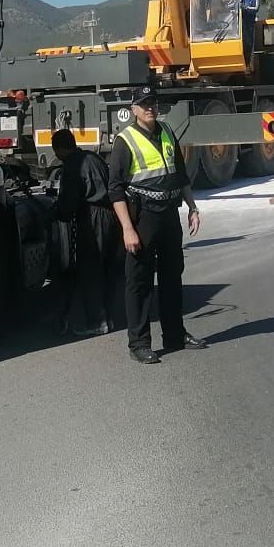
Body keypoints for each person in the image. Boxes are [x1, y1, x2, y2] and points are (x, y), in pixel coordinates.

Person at [108, 90, 204, 365]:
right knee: (139, 282)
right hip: (143, 218)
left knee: (172, 276)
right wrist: (127, 228)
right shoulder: (124, 141)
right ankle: (139, 343)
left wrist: (193, 208)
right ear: (134, 109)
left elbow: (180, 174)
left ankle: (175, 335)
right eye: (145, 105)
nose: (151, 108)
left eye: (153, 104)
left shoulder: (166, 131)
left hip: (169, 215)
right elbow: (115, 191)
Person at [53, 127, 119, 338]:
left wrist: (59, 213)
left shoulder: (73, 165)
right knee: (107, 269)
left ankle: (97, 321)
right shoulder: (93, 157)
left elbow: (69, 202)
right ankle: (108, 316)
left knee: (90, 271)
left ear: (60, 150)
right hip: (110, 215)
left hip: (91, 217)